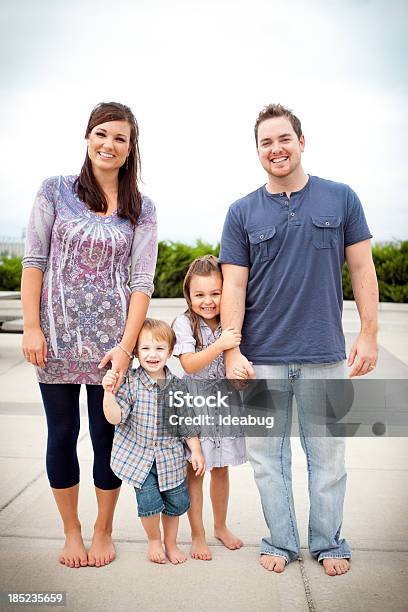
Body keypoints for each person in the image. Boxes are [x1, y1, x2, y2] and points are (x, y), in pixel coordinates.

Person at [218, 104, 379, 576]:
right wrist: (232, 350)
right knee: (268, 462)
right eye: (266, 142)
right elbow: (233, 285)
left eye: (284, 138)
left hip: (324, 355)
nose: (276, 149)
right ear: (258, 151)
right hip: (261, 359)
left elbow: (362, 268)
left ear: (301, 142)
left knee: (328, 460)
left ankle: (329, 543)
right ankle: (281, 543)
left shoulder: (341, 198)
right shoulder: (241, 212)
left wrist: (368, 334)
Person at [21, 102, 158, 569]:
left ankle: (103, 529)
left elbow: (142, 282)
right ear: (87, 137)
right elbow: (34, 261)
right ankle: (72, 532)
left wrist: (125, 349)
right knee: (62, 434)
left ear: (130, 147)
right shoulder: (55, 191)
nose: (109, 144)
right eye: (102, 133)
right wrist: (33, 328)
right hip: (54, 342)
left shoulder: (142, 208)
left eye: (120, 137)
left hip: (110, 351)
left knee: (106, 440)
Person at [102, 318, 205, 565]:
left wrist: (197, 452)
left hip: (171, 458)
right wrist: (108, 394)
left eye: (159, 348)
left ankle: (171, 543)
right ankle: (153, 540)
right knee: (148, 504)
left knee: (175, 503)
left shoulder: (178, 386)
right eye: (146, 348)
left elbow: (187, 423)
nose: (152, 354)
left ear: (169, 352)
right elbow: (115, 417)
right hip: (139, 459)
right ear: (136, 352)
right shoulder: (129, 382)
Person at [172, 255, 247, 561]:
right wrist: (220, 344)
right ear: (188, 296)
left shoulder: (231, 321)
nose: (208, 301)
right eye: (199, 294)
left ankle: (220, 526)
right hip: (196, 407)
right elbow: (189, 365)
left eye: (215, 293)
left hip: (225, 406)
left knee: (221, 469)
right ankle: (198, 534)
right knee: (196, 471)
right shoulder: (185, 323)